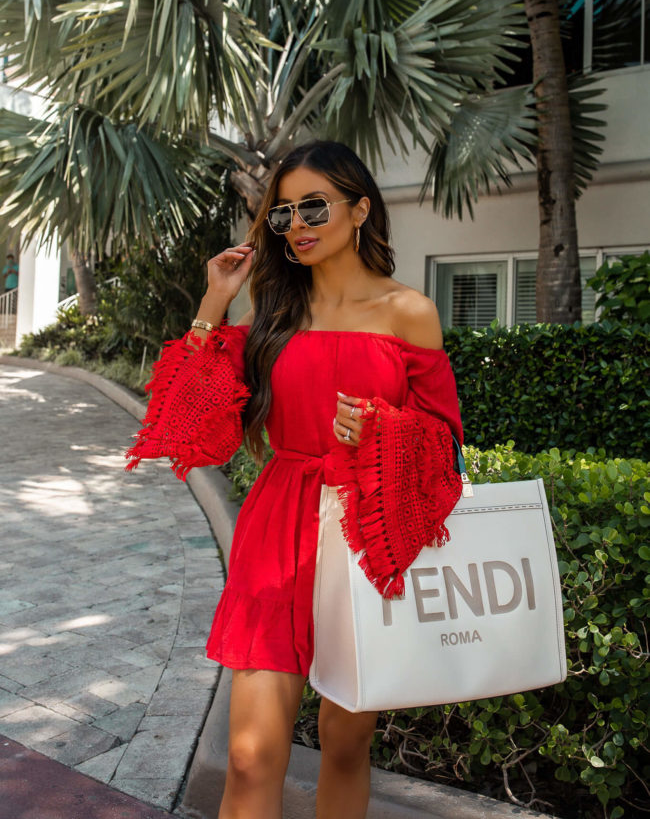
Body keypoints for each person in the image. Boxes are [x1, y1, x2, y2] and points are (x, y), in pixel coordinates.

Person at [126, 140, 464, 819]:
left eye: (314, 205)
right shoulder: (274, 317)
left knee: (344, 740)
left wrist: (380, 434)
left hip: (365, 536)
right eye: (282, 213)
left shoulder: (409, 312)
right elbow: (186, 424)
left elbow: (447, 447)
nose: (298, 225)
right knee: (250, 755)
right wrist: (213, 304)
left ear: (360, 209)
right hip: (277, 529)